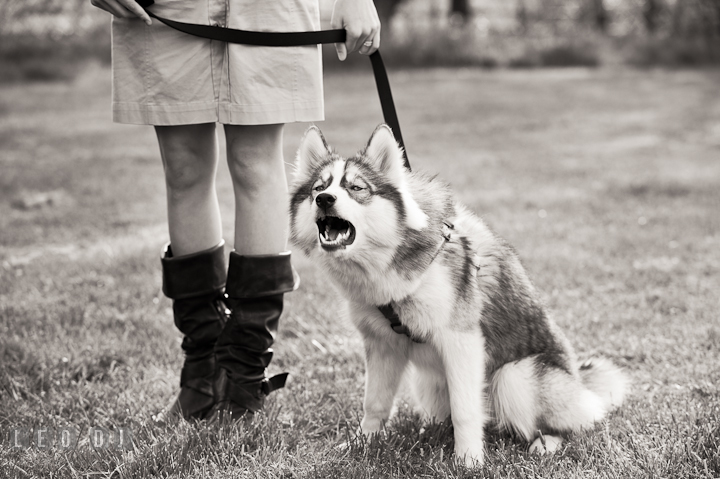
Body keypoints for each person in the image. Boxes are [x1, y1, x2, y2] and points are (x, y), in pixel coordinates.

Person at [90, 0, 381, 420]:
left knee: (255, 163)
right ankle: (203, 376)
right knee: (183, 169)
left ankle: (243, 377)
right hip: (163, 7)